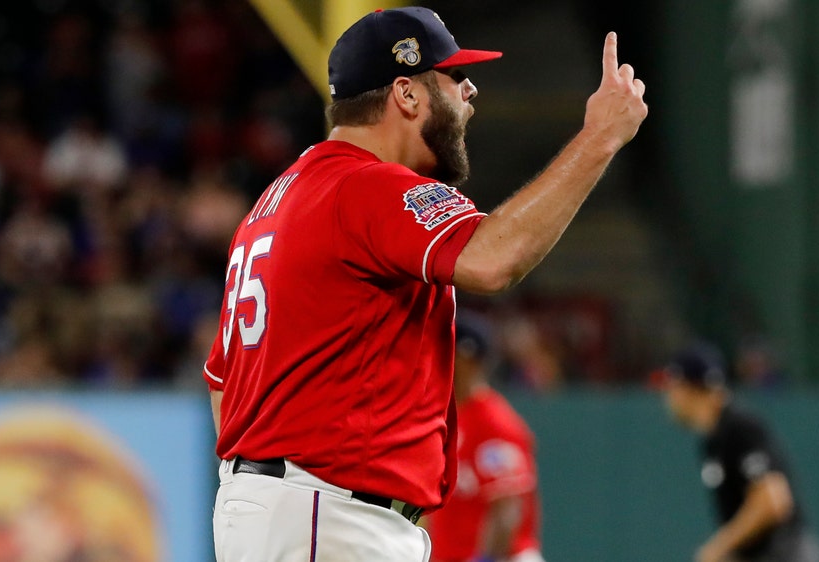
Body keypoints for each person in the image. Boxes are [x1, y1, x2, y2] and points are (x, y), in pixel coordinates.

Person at [202, 6, 647, 562]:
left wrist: (271, 476)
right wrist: (600, 138)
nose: (471, 91)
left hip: (292, 508)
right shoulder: (366, 187)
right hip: (330, 515)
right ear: (407, 94)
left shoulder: (276, 202)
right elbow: (494, 259)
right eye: (455, 77)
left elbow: (223, 382)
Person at [662, 341, 819, 562]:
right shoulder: (713, 440)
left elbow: (772, 499)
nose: (668, 397)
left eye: (673, 387)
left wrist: (719, 546)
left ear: (691, 388)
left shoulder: (738, 427)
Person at [425, 310, 545, 562]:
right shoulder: (444, 415)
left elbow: (507, 510)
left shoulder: (495, 423)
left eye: (447, 351)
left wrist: (484, 559)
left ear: (467, 359)